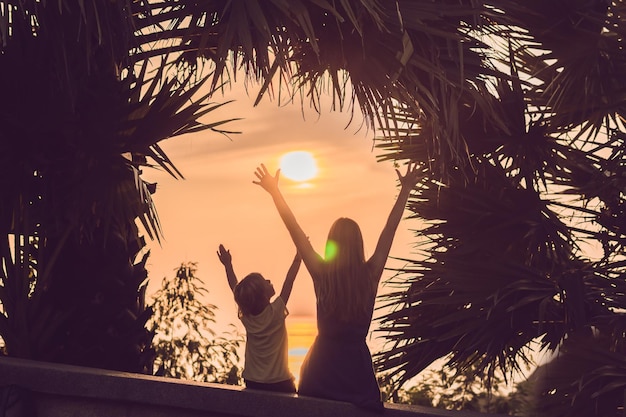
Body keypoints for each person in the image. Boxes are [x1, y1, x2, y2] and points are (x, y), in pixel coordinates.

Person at [252, 162, 422, 412]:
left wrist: (275, 193)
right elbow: (390, 230)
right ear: (358, 244)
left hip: (320, 371)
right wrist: (405, 190)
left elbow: (295, 229)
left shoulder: (322, 274)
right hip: (357, 374)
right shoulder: (370, 274)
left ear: (332, 242)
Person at [217, 243, 301, 393]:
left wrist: (228, 265)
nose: (269, 281)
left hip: (253, 382)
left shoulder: (247, 318)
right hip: (280, 382)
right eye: (265, 282)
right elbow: (289, 281)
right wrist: (298, 257)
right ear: (263, 295)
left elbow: (235, 288)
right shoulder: (276, 312)